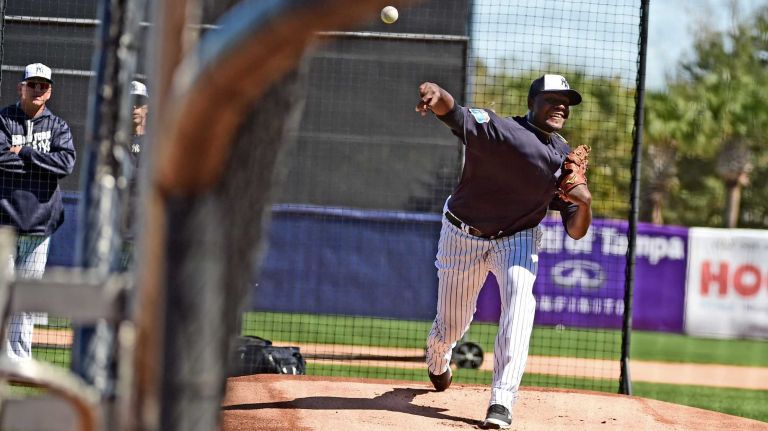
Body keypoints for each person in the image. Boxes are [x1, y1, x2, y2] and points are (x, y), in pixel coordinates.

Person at [415, 74, 592, 429]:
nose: (560, 106)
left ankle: (502, 398)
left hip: (517, 236)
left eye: (566, 102)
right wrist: (437, 96)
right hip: (462, 232)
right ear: (532, 101)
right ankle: (438, 357)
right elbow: (457, 115)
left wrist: (585, 202)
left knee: (520, 300)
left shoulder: (563, 157)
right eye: (552, 98)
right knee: (453, 322)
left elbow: (575, 230)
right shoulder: (501, 129)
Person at [0, 62, 76, 360]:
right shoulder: (4, 120)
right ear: (21, 88)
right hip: (4, 222)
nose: (37, 89)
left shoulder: (58, 126)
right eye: (32, 84)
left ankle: (18, 360)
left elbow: (66, 164)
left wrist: (27, 153)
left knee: (27, 298)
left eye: (42, 85)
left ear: (49, 92)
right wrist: (43, 163)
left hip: (40, 224)